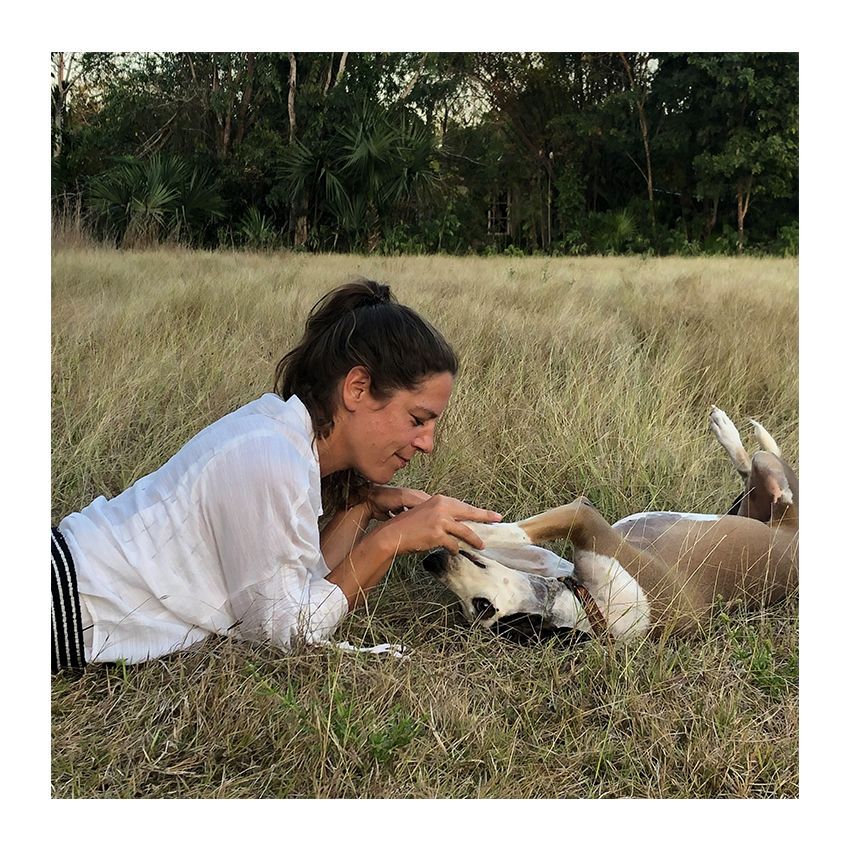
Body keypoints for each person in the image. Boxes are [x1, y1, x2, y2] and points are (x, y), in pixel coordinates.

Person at [51, 278, 501, 674]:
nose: (427, 443)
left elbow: (301, 586)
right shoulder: (269, 455)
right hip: (62, 598)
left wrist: (361, 506)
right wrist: (391, 539)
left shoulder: (286, 441)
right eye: (418, 419)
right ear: (357, 388)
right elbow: (287, 633)